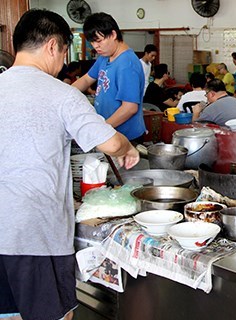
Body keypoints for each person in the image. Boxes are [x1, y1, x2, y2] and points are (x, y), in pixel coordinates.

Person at [0, 9, 140, 320]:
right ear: (53, 46)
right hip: (35, 236)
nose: (64, 62)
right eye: (65, 51)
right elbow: (112, 144)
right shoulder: (61, 95)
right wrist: (127, 146)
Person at [72, 12, 146, 143]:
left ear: (113, 35)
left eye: (98, 41)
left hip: (125, 137)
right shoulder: (104, 57)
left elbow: (130, 108)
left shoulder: (127, 64)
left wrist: (102, 129)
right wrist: (63, 94)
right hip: (108, 130)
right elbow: (86, 80)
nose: (95, 46)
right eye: (92, 42)